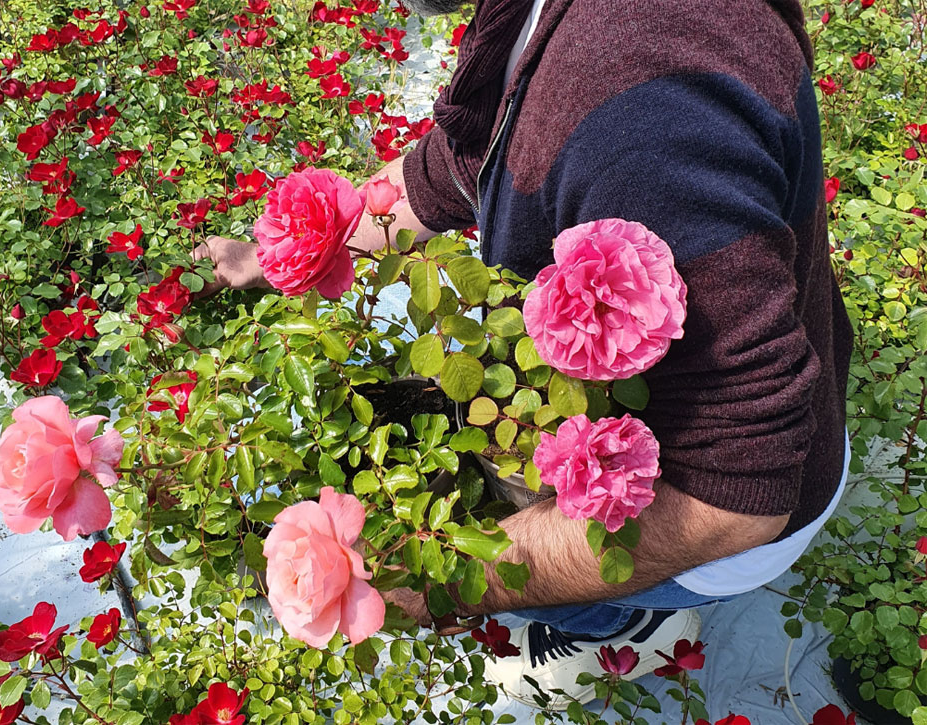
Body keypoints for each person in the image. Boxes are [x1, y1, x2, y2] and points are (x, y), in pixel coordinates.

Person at [196, 0, 853, 709]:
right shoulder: (555, 28)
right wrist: (307, 245)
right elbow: (473, 151)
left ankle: (624, 623)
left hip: (711, 507)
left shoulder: (649, 106)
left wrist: (440, 581)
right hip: (662, 409)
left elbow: (735, 494)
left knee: (550, 588)